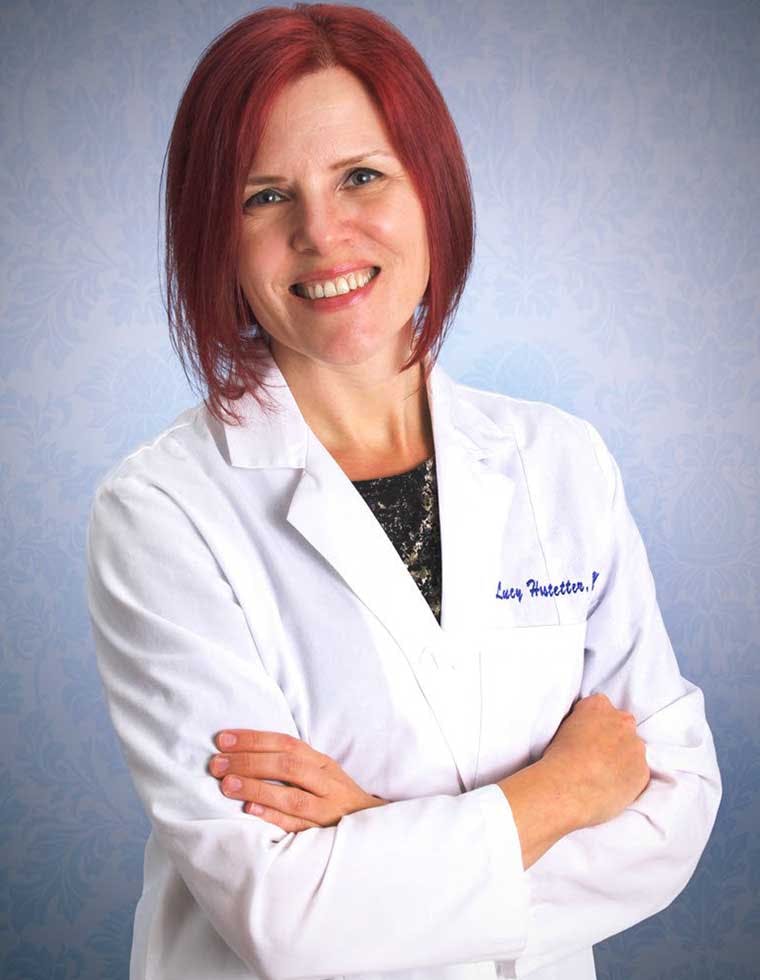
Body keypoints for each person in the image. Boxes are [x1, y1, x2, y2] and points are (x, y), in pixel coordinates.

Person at [85, 4, 721, 980]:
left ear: (433, 192)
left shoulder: (559, 462)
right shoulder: (162, 513)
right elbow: (288, 918)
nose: (320, 233)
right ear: (215, 234)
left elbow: (674, 809)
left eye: (361, 177)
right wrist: (562, 793)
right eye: (264, 196)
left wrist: (376, 837)